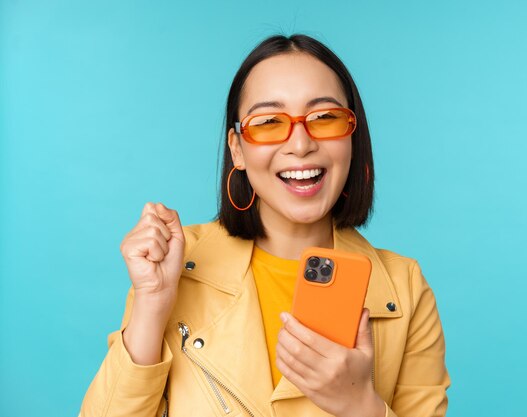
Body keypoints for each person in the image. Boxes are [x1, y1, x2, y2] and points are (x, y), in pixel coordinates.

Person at [80, 34, 451, 417]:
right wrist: (152, 305)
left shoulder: (404, 288)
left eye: (324, 118)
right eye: (269, 121)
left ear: (352, 138)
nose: (301, 143)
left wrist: (359, 405)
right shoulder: (176, 266)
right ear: (237, 149)